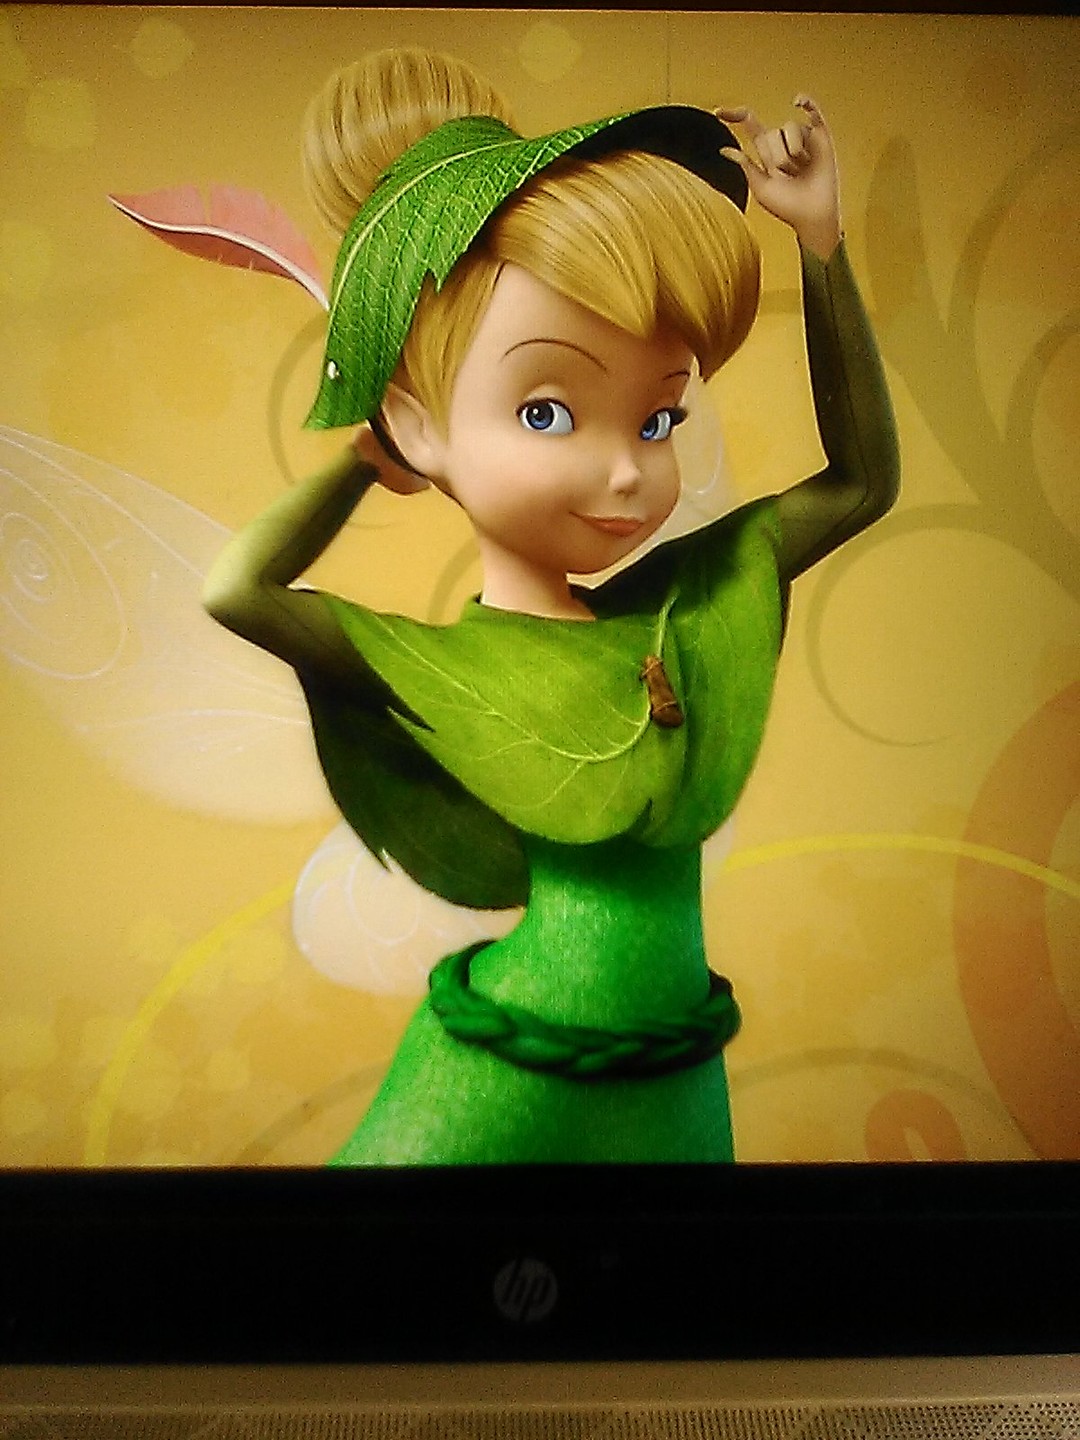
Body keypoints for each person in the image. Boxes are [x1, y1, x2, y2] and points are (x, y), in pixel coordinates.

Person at [202, 48, 899, 1164]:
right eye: (546, 412)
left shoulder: (686, 610)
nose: (627, 470)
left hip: (673, 1065)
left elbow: (860, 483)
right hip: (506, 1072)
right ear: (419, 424)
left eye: (658, 420)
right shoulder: (435, 667)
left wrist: (820, 243)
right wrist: (363, 463)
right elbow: (237, 589)